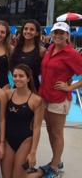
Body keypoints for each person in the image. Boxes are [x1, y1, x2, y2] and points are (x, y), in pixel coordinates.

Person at [38, 22, 82, 178]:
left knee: (57, 133)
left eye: (61, 33)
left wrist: (69, 87)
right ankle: (57, 161)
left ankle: (55, 168)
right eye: (55, 32)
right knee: (50, 131)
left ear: (67, 35)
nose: (57, 35)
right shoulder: (51, 49)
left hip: (59, 98)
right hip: (45, 96)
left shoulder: (71, 53)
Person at [1, 64, 44, 178]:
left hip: (25, 141)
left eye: (21, 76)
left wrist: (33, 152)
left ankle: (38, 173)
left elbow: (37, 127)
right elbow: (2, 118)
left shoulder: (36, 100)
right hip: (9, 140)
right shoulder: (8, 94)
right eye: (15, 76)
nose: (17, 79)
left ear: (28, 78)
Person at [10, 19, 46, 91]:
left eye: (32, 29)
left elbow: (45, 71)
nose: (28, 31)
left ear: (37, 33)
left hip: (34, 88)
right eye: (26, 29)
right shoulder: (15, 50)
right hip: (17, 87)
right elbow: (11, 68)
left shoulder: (41, 51)